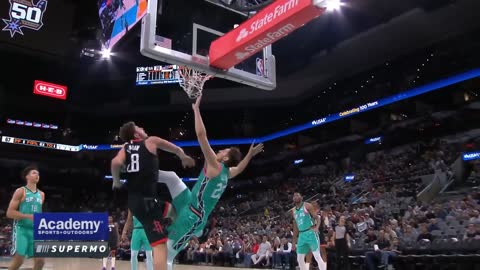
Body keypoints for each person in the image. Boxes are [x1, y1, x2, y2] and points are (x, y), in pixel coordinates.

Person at [161, 96, 264, 270]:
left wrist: (196, 110)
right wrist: (250, 155)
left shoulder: (215, 166)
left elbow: (201, 135)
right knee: (171, 177)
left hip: (192, 215)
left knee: (167, 255)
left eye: (223, 150)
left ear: (225, 157)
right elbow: (239, 168)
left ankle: (198, 230)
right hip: (190, 201)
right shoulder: (227, 173)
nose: (219, 150)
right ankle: (142, 172)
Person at [111, 122, 195, 270]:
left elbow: (115, 162)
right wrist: (183, 156)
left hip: (135, 202)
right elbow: (175, 149)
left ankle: (178, 231)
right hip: (147, 202)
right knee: (160, 245)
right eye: (139, 127)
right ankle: (180, 234)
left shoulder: (126, 148)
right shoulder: (151, 141)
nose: (143, 128)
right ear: (137, 135)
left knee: (169, 209)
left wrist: (117, 181)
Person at [6, 165, 45, 270]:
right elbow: (9, 213)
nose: (37, 175)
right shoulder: (21, 191)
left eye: (38, 173)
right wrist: (27, 216)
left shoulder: (41, 194)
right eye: (34, 173)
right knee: (19, 260)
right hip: (21, 229)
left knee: (40, 260)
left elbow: (39, 213)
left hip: (35, 230)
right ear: (27, 177)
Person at [291, 192, 327, 270]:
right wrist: (294, 242)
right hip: (301, 235)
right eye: (294, 196)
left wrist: (317, 227)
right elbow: (295, 226)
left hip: (310, 232)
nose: (295, 196)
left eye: (297, 195)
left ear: (301, 197)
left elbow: (317, 217)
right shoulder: (293, 211)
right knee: (299, 259)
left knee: (317, 256)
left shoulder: (307, 205)